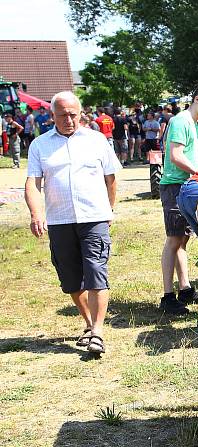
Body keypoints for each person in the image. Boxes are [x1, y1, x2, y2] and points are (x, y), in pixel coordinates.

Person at [24, 91, 120, 357]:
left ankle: (98, 332)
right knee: (70, 278)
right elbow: (32, 183)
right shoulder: (40, 145)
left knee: (96, 271)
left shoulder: (97, 140)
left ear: (81, 114)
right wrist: (36, 213)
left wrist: (108, 209)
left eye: (73, 114)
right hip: (60, 220)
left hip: (94, 218)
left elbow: (110, 178)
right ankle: (89, 323)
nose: (68, 119)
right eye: (62, 115)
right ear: (52, 115)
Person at [159, 83, 198, 315]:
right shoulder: (181, 121)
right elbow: (175, 156)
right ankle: (167, 296)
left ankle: (184, 288)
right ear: (196, 99)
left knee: (183, 240)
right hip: (174, 186)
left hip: (184, 185)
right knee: (174, 241)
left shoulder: (197, 125)